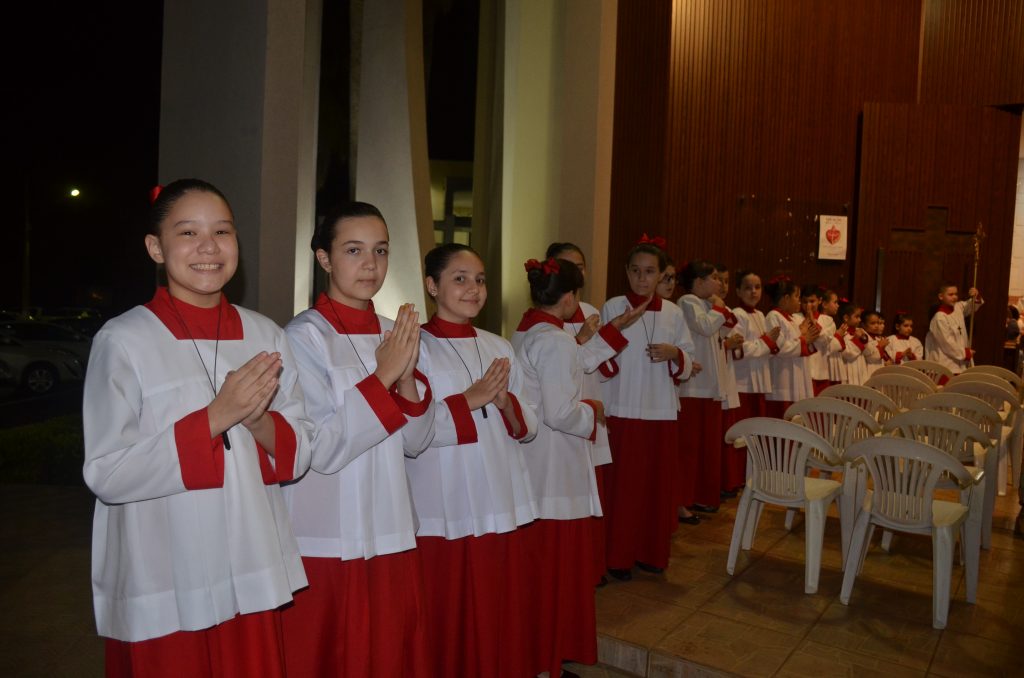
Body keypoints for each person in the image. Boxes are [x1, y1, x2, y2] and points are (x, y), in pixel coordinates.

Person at [83, 179, 312, 677]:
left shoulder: (265, 333)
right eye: (188, 232)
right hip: (164, 564)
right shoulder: (124, 339)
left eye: (222, 231)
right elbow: (107, 471)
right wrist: (215, 418)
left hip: (249, 555)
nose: (208, 247)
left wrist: (256, 419)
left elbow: (300, 446)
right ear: (155, 248)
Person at [281, 201, 434, 677]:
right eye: (353, 250)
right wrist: (384, 375)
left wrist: (406, 381)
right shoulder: (303, 337)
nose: (371, 264)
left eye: (381, 250)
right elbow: (322, 448)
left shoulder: (398, 332)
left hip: (390, 520)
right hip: (329, 529)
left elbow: (416, 443)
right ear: (324, 259)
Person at [406, 243, 539, 678]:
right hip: (444, 499)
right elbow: (413, 432)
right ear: (432, 285)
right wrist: (469, 400)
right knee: (448, 612)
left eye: (479, 280)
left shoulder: (498, 344)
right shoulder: (415, 348)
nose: (473, 289)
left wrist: (504, 404)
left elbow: (531, 424)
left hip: (498, 491)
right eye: (459, 279)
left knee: (496, 606)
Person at [512, 256, 605, 675]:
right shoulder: (555, 341)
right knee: (556, 569)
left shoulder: (523, 331)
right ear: (569, 298)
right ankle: (547, 657)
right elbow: (560, 413)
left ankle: (538, 654)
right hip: (554, 466)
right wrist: (594, 409)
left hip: (533, 460)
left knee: (540, 570)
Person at [545, 242, 640, 586]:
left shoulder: (587, 308)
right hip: (565, 415)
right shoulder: (545, 317)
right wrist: (585, 339)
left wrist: (604, 336)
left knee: (592, 490)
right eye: (567, 265)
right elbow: (567, 360)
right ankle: (574, 568)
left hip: (590, 402)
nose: (576, 271)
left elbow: (596, 364)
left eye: (580, 265)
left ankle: (594, 563)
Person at [600, 235, 695, 580]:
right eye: (636, 271)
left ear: (661, 275)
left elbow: (689, 358)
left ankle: (651, 553)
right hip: (622, 408)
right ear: (626, 272)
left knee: (655, 487)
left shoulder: (673, 312)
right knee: (623, 488)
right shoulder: (612, 307)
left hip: (659, 411)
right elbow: (600, 353)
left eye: (650, 272)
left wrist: (676, 354)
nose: (642, 278)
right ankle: (619, 556)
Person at [677, 259, 740, 515]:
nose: (719, 284)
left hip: (711, 387)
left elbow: (728, 324)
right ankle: (685, 499)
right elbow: (703, 326)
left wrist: (720, 309)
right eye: (714, 278)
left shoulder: (708, 305)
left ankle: (702, 495)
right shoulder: (687, 302)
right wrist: (718, 308)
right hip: (693, 387)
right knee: (690, 449)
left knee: (706, 448)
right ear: (699, 281)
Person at [727, 270, 779, 490]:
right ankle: (737, 477)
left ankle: (751, 475)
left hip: (758, 383)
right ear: (738, 291)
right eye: (748, 287)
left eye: (757, 287)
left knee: (755, 433)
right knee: (742, 434)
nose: (753, 291)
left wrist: (767, 343)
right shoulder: (737, 314)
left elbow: (766, 347)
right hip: (743, 382)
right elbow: (737, 348)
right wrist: (766, 342)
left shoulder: (760, 315)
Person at [764, 276, 818, 417]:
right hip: (783, 382)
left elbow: (796, 342)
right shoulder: (773, 316)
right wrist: (803, 339)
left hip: (797, 381)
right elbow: (780, 348)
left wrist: (805, 334)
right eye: (797, 297)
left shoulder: (791, 319)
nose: (799, 302)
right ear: (786, 298)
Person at [925, 284, 983, 374]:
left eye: (956, 294)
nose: (954, 297)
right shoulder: (939, 318)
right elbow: (946, 343)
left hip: (958, 363)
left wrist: (976, 296)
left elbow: (971, 305)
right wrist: (965, 353)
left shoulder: (958, 307)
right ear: (941, 296)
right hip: (944, 365)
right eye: (950, 294)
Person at [837, 302, 869, 385]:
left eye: (860, 317)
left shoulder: (861, 331)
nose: (860, 320)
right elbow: (847, 354)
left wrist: (863, 338)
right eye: (857, 317)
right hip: (848, 370)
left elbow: (868, 351)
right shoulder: (841, 333)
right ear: (846, 318)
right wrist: (856, 339)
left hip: (861, 371)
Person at [861, 310, 892, 377]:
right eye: (872, 323)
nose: (876, 326)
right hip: (868, 370)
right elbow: (870, 358)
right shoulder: (863, 337)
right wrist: (880, 346)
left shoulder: (877, 338)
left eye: (878, 323)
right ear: (863, 324)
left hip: (878, 369)